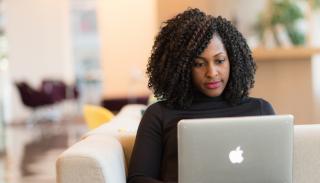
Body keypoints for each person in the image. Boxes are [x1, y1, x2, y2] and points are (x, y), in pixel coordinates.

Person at [127, 8, 275, 183]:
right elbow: (138, 179)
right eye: (199, 64)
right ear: (181, 67)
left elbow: (275, 174)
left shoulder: (260, 110)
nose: (212, 73)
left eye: (219, 61)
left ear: (233, 60)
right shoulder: (159, 115)